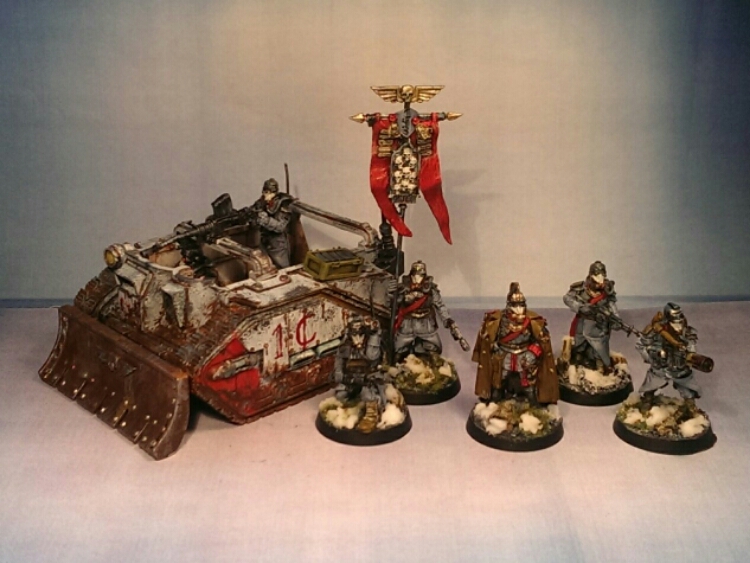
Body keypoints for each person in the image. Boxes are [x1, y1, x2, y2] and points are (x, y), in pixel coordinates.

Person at [472, 282, 558, 405]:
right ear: (509, 305)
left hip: (524, 354)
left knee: (527, 380)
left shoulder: (532, 321)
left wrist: (532, 353)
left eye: (521, 304)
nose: (518, 308)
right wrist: (493, 347)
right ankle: (496, 396)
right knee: (499, 378)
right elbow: (490, 338)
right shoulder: (499, 319)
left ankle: (532, 398)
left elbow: (541, 341)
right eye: (515, 305)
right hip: (503, 353)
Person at [393, 260, 467, 362]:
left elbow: (440, 306)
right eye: (414, 275)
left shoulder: (431, 290)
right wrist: (401, 297)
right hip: (407, 325)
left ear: (424, 276)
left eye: (419, 276)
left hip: (426, 326)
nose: (416, 279)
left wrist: (448, 320)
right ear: (411, 275)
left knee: (434, 350)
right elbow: (395, 305)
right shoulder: (403, 288)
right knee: (398, 351)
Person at [636, 302, 704, 406]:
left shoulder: (687, 330)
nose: (678, 319)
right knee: (650, 389)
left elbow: (691, 346)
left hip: (680, 368)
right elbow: (641, 345)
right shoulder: (656, 329)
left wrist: (689, 355)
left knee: (688, 393)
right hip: (661, 366)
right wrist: (652, 357)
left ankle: (690, 408)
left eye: (679, 315)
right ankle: (647, 401)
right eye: (675, 315)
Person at [332, 316, 387, 433]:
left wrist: (374, 334)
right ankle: (356, 408)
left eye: (360, 332)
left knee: (368, 395)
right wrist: (339, 373)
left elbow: (372, 357)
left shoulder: (371, 342)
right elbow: (339, 360)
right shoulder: (346, 344)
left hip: (368, 378)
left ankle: (372, 415)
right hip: (351, 378)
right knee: (341, 396)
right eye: (354, 333)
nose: (357, 338)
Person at [563, 261, 620, 374]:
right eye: (596, 280)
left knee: (599, 354)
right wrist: (580, 307)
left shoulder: (607, 291)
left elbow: (613, 307)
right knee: (578, 351)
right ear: (590, 277)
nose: (599, 284)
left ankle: (600, 371)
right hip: (582, 323)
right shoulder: (581, 288)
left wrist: (616, 319)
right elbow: (567, 298)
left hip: (599, 327)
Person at [251, 178, 294, 269]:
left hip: (277, 244)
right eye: (264, 192)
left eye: (268, 192)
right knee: (264, 267)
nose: (265, 195)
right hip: (263, 241)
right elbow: (253, 210)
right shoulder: (262, 201)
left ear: (274, 193)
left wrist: (265, 220)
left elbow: (280, 227)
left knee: (283, 268)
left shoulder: (284, 205)